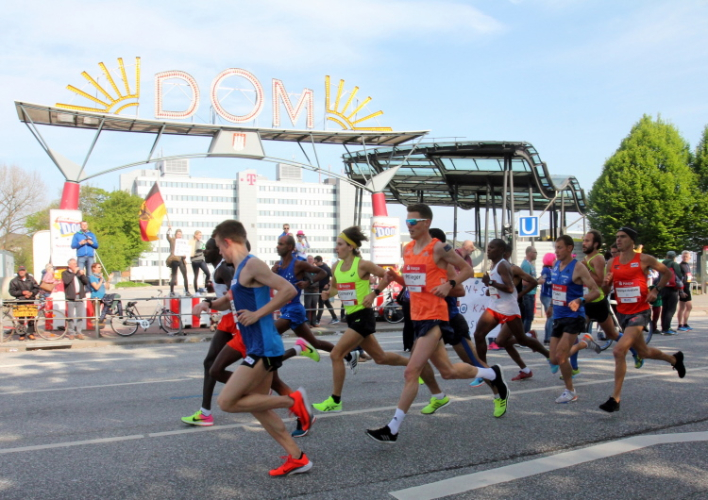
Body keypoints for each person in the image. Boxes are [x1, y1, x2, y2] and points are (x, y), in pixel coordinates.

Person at [366, 204, 509, 444]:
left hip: (435, 317)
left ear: (426, 223)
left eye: (413, 222)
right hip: (417, 316)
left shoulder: (439, 248)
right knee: (448, 372)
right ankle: (491, 373)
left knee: (411, 371)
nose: (409, 226)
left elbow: (466, 269)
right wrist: (393, 279)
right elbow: (412, 283)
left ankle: (393, 428)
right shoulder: (407, 249)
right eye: (407, 222)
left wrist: (449, 285)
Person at [203, 219, 314, 477]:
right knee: (259, 408)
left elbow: (287, 290)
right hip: (256, 344)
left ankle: (293, 400)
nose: (219, 252)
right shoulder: (239, 269)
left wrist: (258, 313)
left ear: (228, 242)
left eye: (219, 246)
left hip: (263, 346)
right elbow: (228, 301)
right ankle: (298, 458)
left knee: (227, 401)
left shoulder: (252, 264)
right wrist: (207, 305)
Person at [313, 226, 444, 416]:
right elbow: (335, 288)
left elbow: (387, 276)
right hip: (352, 317)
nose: (336, 248)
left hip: (363, 316)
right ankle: (416, 365)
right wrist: (328, 293)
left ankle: (335, 400)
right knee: (380, 358)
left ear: (350, 247)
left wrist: (374, 293)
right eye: (337, 244)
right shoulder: (335, 267)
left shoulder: (363, 265)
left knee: (336, 354)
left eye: (340, 244)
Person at [599, 226, 685, 413]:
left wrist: (655, 290)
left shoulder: (644, 259)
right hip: (623, 312)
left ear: (632, 241)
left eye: (622, 237)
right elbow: (605, 291)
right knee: (643, 352)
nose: (618, 240)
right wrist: (605, 284)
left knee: (619, 350)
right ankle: (674, 359)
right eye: (617, 237)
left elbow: (667, 273)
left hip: (640, 312)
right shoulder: (612, 263)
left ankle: (615, 398)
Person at [430, 228, 505, 417]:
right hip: (431, 320)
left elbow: (460, 291)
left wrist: (441, 288)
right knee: (418, 361)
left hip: (451, 320)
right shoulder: (423, 264)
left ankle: (498, 393)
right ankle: (438, 396)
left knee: (472, 361)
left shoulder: (446, 265)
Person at [183, 238, 246, 427]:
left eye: (209, 249)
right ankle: (205, 412)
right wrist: (211, 300)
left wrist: (212, 302)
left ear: (218, 250)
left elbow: (234, 293)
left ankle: (253, 389)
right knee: (210, 363)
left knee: (266, 365)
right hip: (227, 320)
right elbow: (227, 294)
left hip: (237, 320)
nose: (205, 252)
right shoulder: (219, 268)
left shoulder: (224, 268)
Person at [473, 243, 551, 385]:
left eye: (492, 247)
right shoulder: (494, 266)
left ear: (503, 251)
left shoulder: (506, 266)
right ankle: (484, 372)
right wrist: (490, 287)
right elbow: (498, 287)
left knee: (520, 339)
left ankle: (548, 355)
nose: (488, 249)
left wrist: (517, 294)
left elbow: (510, 288)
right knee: (479, 335)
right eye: (488, 247)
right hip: (495, 307)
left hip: (509, 308)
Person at [570, 230, 642, 370]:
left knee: (612, 334)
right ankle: (573, 367)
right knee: (573, 331)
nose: (584, 244)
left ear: (595, 244)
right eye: (584, 241)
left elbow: (600, 281)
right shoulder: (586, 259)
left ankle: (636, 352)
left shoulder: (597, 258)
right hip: (587, 301)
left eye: (587, 241)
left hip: (597, 302)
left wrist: (585, 270)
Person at [545, 235, 601, 403]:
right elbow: (556, 289)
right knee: (554, 358)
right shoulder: (556, 265)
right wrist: (551, 306)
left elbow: (596, 291)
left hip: (574, 316)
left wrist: (580, 300)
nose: (557, 251)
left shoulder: (578, 267)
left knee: (561, 356)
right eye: (555, 248)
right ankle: (584, 343)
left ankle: (570, 391)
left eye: (560, 247)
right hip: (558, 316)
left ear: (569, 248)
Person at [9, 265, 40, 341]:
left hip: (30, 300)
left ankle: (31, 333)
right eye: (20, 270)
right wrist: (22, 292)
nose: (22, 272)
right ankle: (21, 334)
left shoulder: (31, 279)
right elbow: (12, 291)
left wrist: (31, 293)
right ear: (18, 271)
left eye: (23, 270)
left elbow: (36, 288)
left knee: (31, 318)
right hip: (21, 301)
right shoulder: (14, 281)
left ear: (25, 271)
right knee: (21, 319)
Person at [62, 258, 89, 340]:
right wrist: (73, 273)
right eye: (73, 264)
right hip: (71, 297)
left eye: (76, 263)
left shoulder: (78, 273)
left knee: (80, 316)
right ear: (69, 265)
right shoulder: (65, 273)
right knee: (70, 316)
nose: (75, 265)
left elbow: (86, 282)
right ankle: (71, 332)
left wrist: (82, 275)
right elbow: (66, 281)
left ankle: (79, 332)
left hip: (79, 296)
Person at [660, 250, 684, 335]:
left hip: (663, 287)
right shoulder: (674, 264)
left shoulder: (662, 264)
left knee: (664, 308)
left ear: (667, 256)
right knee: (671, 309)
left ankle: (664, 327)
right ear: (674, 257)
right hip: (672, 288)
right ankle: (667, 328)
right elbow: (679, 276)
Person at [313, 256, 339, 326]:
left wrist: (328, 284)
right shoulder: (317, 268)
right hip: (319, 288)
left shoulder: (326, 268)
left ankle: (317, 320)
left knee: (321, 304)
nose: (314, 262)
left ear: (319, 261)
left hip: (324, 289)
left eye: (315, 261)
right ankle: (335, 318)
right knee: (327, 303)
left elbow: (334, 277)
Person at [166, 227, 190, 297]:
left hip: (181, 259)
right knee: (174, 275)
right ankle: (171, 291)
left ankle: (187, 291)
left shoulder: (182, 242)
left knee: (185, 275)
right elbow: (167, 237)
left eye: (180, 235)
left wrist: (185, 255)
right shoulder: (172, 240)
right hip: (174, 259)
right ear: (175, 235)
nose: (179, 236)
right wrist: (169, 230)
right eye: (178, 234)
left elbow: (185, 250)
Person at [520, 246, 538, 334]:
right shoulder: (526, 265)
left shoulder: (530, 264)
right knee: (528, 316)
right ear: (529, 253)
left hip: (531, 293)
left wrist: (537, 280)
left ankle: (524, 335)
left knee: (529, 317)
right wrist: (537, 282)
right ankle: (524, 336)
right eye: (535, 252)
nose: (536, 254)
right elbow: (524, 282)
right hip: (527, 294)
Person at [539, 253, 555, 344]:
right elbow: (545, 282)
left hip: (550, 295)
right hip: (546, 295)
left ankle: (549, 336)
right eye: (554, 259)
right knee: (551, 316)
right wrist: (555, 281)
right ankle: (548, 338)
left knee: (551, 317)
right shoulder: (546, 270)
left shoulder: (551, 269)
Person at [677, 251, 694, 331]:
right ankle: (681, 324)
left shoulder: (687, 265)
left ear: (690, 257)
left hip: (686, 287)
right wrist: (681, 290)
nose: (685, 258)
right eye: (684, 256)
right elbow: (679, 278)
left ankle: (684, 324)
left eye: (686, 256)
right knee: (687, 307)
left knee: (684, 307)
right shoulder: (681, 266)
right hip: (683, 288)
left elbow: (687, 276)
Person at [304, 255, 320, 326]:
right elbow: (306, 279)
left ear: (313, 260)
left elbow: (318, 278)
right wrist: (311, 284)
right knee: (307, 306)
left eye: (311, 259)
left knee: (314, 306)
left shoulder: (316, 269)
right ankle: (307, 321)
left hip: (315, 290)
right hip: (308, 290)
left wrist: (313, 284)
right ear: (307, 260)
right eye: (309, 259)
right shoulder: (305, 270)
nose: (310, 260)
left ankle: (313, 321)